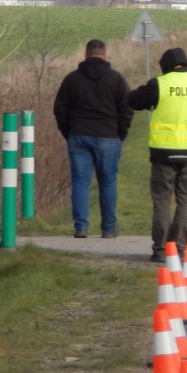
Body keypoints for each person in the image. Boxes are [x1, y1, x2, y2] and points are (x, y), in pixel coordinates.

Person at [128, 47, 187, 262]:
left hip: (164, 153)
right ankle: (180, 247)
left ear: (164, 67)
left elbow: (134, 101)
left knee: (162, 200)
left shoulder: (159, 84)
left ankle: (161, 250)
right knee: (186, 200)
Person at [53, 39, 134, 238]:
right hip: (108, 136)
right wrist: (120, 134)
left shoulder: (71, 79)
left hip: (79, 135)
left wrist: (69, 132)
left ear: (85, 56)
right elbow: (127, 109)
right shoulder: (116, 79)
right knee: (107, 182)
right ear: (105, 56)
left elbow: (60, 109)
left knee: (80, 181)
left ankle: (81, 227)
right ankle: (108, 228)